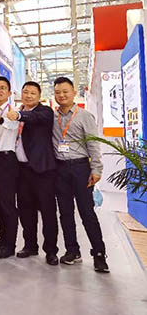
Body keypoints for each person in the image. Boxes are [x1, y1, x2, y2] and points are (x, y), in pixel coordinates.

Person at [53, 77, 109, 273]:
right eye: (57, 92)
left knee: (87, 212)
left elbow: (93, 144)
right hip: (60, 170)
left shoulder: (84, 116)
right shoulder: (53, 117)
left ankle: (99, 254)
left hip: (80, 168)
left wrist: (96, 169)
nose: (61, 95)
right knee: (65, 213)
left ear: (74, 92)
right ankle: (72, 251)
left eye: (65, 91)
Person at [6, 81, 59, 265]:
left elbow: (34, 118)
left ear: (39, 96)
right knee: (25, 211)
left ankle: (51, 251)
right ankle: (30, 245)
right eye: (25, 92)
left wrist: (19, 115)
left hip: (42, 171)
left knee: (48, 212)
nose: (28, 96)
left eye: (32, 93)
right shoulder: (15, 112)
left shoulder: (44, 112)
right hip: (22, 171)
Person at [0, 76, 21, 259]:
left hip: (7, 159)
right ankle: (2, 238)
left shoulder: (12, 112)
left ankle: (10, 244)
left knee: (7, 204)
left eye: (2, 88)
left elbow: (12, 125)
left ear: (9, 92)